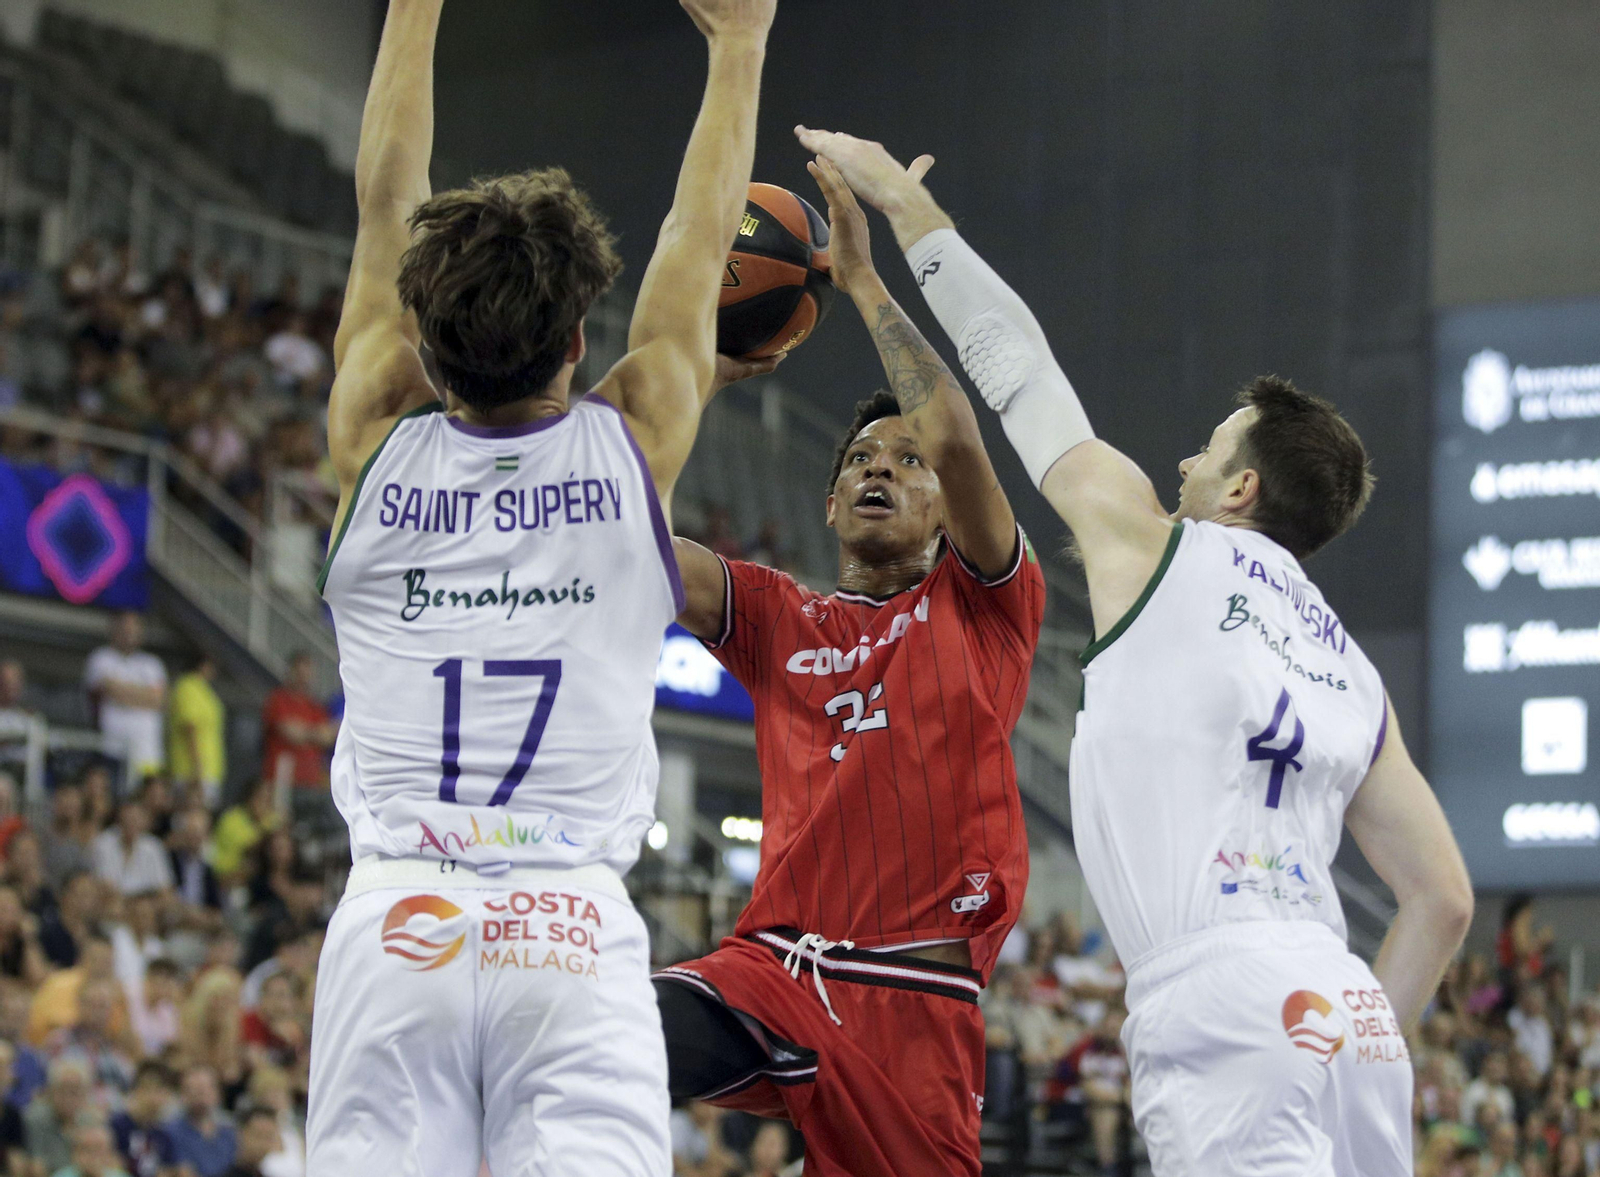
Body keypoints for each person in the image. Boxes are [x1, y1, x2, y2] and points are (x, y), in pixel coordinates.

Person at [792, 126, 1477, 1177]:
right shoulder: (1353, 674)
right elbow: (1441, 898)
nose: (1185, 460)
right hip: (1346, 1012)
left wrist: (908, 216)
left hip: (1225, 992)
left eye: (1209, 449)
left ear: (1242, 489)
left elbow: (1016, 372)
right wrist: (1344, 1031)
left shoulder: (1165, 554)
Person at [304, 3, 776, 1174]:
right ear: (578, 340)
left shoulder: (370, 433)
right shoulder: (636, 437)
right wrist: (739, 47)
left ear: (414, 329)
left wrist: (412, 9)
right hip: (568, 926)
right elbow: (698, 241)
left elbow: (383, 197)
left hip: (396, 913)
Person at [652, 153, 1045, 1177]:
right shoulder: (780, 615)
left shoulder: (985, 606)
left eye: (904, 459)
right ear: (829, 504)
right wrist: (704, 370)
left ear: (941, 501)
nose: (880, 464)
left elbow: (960, 440)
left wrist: (863, 281)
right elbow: (623, 539)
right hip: (768, 970)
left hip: (912, 1013)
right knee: (597, 1038)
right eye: (861, 459)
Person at [84, 613, 168, 777]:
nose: (129, 634)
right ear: (114, 631)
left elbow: (159, 700)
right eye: (124, 629)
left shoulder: (152, 664)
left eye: (134, 630)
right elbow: (109, 689)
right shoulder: (101, 658)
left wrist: (121, 690)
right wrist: (144, 694)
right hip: (112, 749)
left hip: (147, 752)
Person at [258, 654, 333, 801]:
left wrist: (303, 731)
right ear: (290, 672)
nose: (303, 678)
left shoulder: (315, 706)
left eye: (307, 673)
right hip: (282, 780)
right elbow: (289, 733)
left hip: (311, 780)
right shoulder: (278, 699)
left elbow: (327, 738)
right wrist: (314, 733)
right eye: (299, 673)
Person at [166, 656, 225, 809]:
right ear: (203, 665)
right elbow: (189, 727)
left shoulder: (204, 689)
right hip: (191, 769)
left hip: (208, 769)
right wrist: (197, 768)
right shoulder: (187, 686)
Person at [90, 799, 173, 900]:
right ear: (119, 820)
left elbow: (164, 887)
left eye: (135, 819)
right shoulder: (102, 843)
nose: (131, 823)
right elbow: (103, 885)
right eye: (127, 819)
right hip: (113, 903)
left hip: (146, 905)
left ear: (143, 822)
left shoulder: (153, 846)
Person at [109, 1061, 179, 1177]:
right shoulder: (116, 1126)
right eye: (148, 1088)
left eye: (161, 1090)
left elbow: (169, 1169)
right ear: (136, 1090)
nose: (155, 1098)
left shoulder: (164, 1136)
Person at [164, 1066, 234, 1177]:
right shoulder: (170, 1132)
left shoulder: (228, 1133)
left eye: (207, 1088)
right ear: (183, 1094)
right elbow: (183, 1171)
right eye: (195, 1089)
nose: (201, 1094)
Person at [221, 1108, 280, 1177]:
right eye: (258, 1135)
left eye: (268, 1137)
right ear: (241, 1134)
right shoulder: (219, 1169)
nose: (262, 1144)